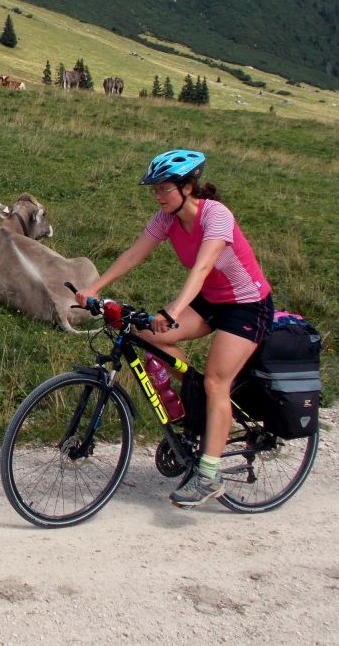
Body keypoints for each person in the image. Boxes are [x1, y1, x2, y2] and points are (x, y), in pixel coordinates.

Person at [75, 149, 273, 508]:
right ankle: (198, 402)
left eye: (164, 188)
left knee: (217, 380)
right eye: (155, 189)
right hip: (210, 301)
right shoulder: (166, 219)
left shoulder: (216, 216)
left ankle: (209, 475)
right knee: (150, 336)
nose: (158, 195)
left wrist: (173, 309)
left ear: (188, 186)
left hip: (247, 305)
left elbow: (201, 267)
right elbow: (135, 253)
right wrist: (95, 288)